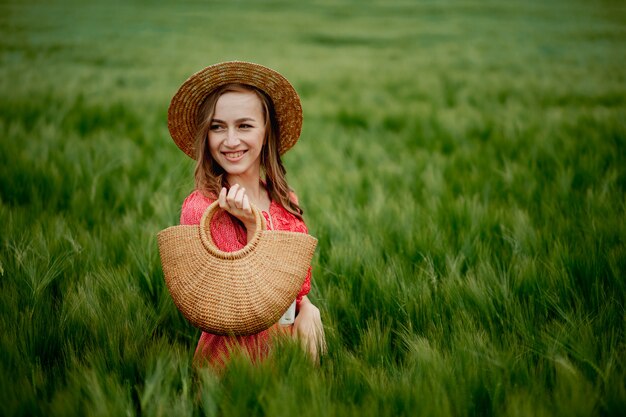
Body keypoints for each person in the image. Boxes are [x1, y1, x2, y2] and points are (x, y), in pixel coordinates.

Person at [167, 61, 326, 367]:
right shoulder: (202, 209)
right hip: (232, 365)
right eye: (217, 127)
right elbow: (236, 302)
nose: (230, 141)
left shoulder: (285, 200)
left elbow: (297, 285)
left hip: (290, 355)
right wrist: (255, 227)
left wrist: (308, 309)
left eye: (244, 125)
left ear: (267, 132)